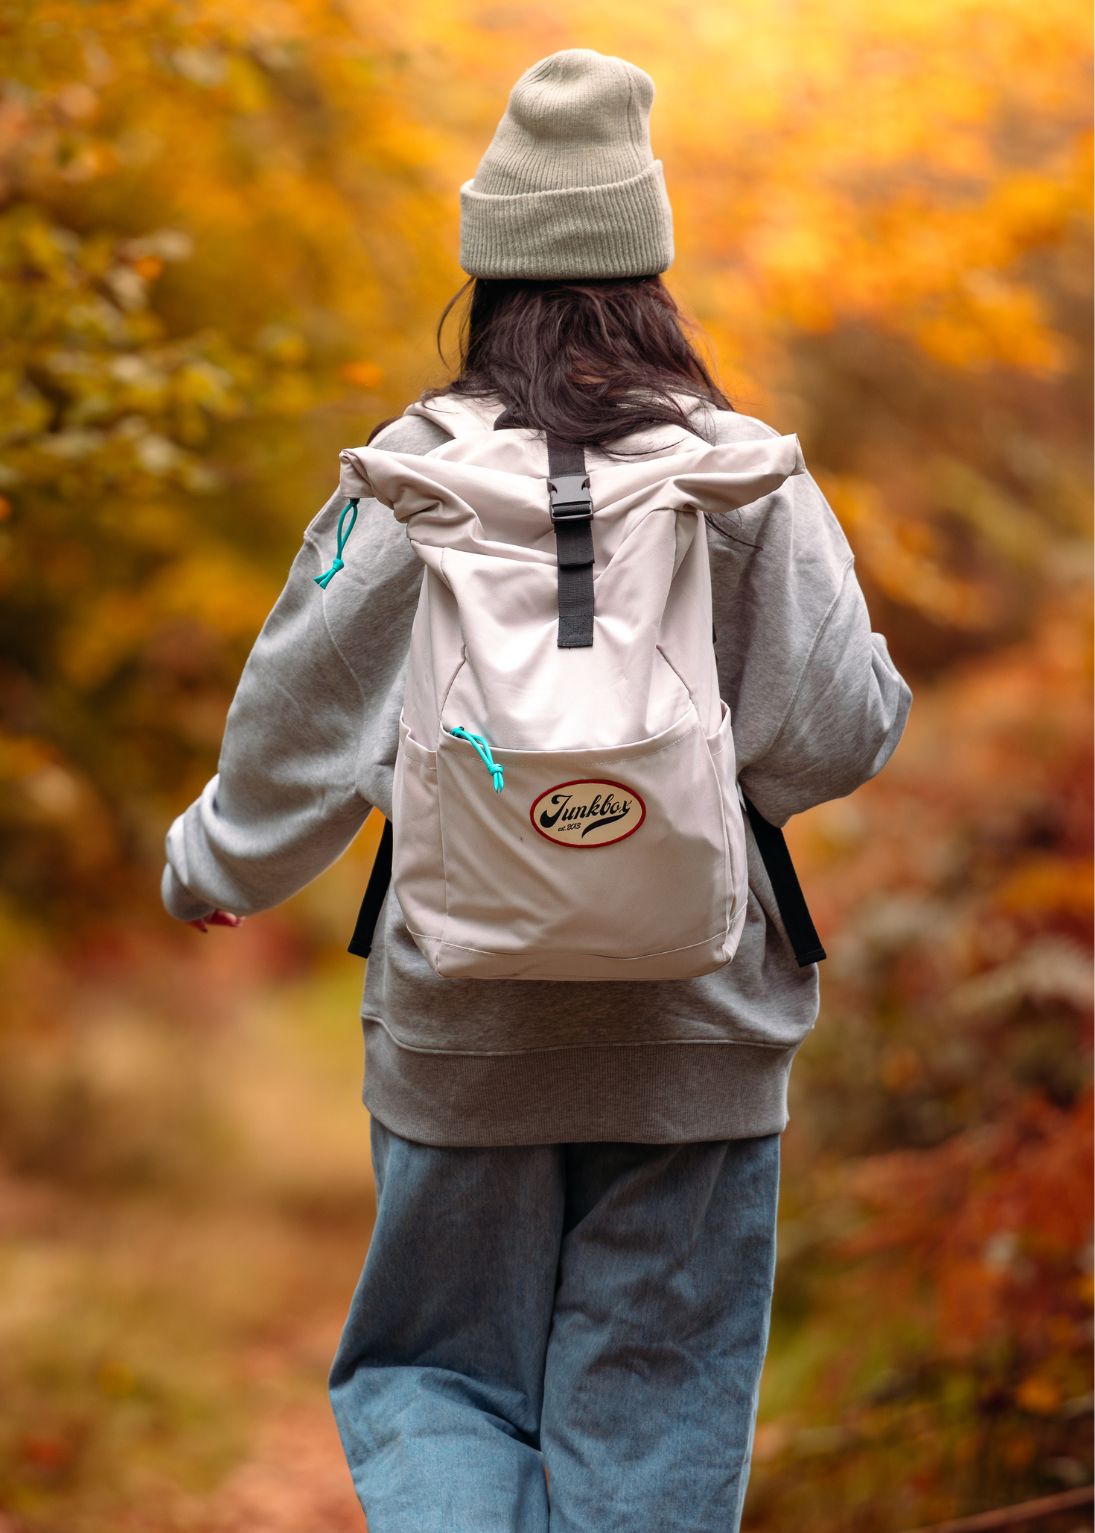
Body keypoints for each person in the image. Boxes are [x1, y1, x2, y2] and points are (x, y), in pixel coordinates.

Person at [161, 47, 913, 1533]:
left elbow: (299, 716)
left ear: (486, 270)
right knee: (655, 1400)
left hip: (465, 1017)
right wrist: (668, 775)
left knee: (439, 1379)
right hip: (701, 1020)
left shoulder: (408, 480)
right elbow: (844, 727)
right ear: (650, 265)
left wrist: (217, 863)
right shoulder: (746, 477)